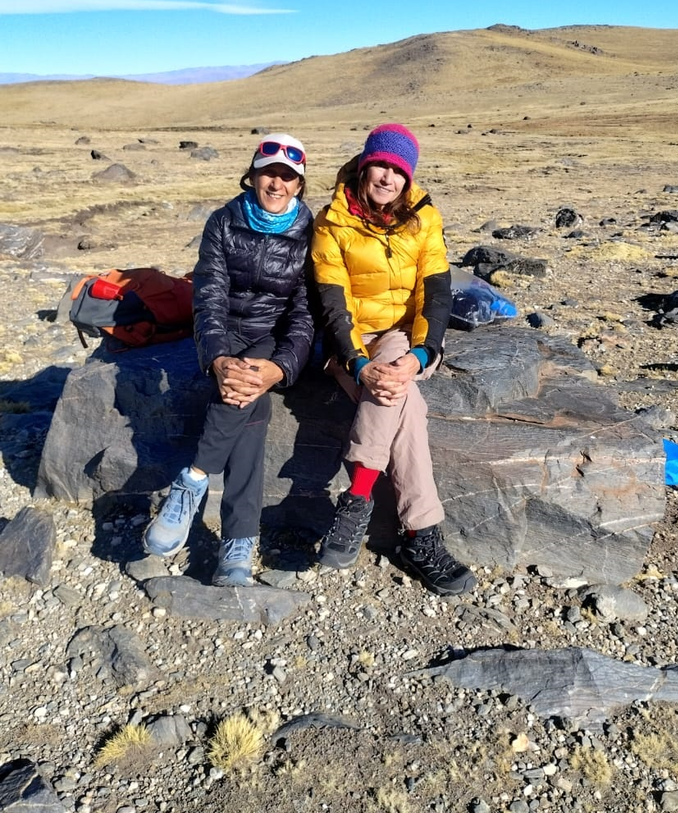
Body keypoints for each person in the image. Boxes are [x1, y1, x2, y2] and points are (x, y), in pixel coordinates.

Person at [311, 123, 476, 596]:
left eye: (398, 170)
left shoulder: (425, 220)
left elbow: (436, 296)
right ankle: (420, 537)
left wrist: (424, 353)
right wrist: (357, 364)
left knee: (398, 381)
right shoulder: (331, 223)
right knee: (409, 406)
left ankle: (356, 499)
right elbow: (331, 301)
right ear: (364, 166)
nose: (387, 178)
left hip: (403, 337)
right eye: (380, 165)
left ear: (409, 178)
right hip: (352, 341)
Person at [143, 133, 314, 586]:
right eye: (268, 173)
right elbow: (209, 297)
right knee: (249, 407)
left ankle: (193, 480)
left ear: (299, 184)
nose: (277, 184)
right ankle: (238, 543)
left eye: (288, 176)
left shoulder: (311, 234)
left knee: (247, 388)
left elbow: (304, 313)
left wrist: (280, 367)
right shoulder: (223, 221)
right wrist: (217, 358)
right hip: (227, 334)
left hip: (270, 337)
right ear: (252, 175)